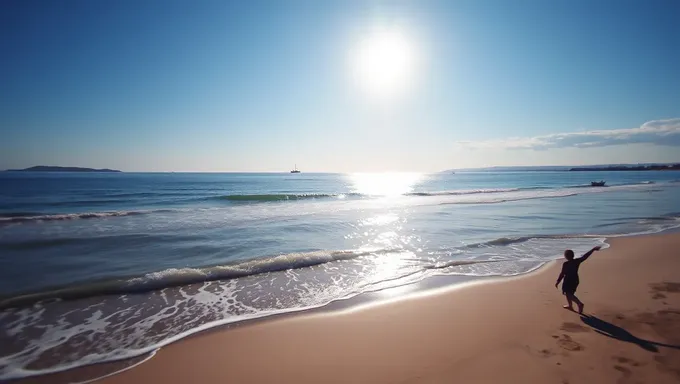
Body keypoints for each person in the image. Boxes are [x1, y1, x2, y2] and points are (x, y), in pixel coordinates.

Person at [555, 246, 601, 313]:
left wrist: (557, 281)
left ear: (565, 256)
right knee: (569, 293)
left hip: (568, 280)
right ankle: (570, 306)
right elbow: (585, 256)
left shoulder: (566, 264)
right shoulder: (576, 261)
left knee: (568, 294)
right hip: (575, 280)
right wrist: (593, 249)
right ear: (573, 255)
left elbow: (562, 274)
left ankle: (579, 303)